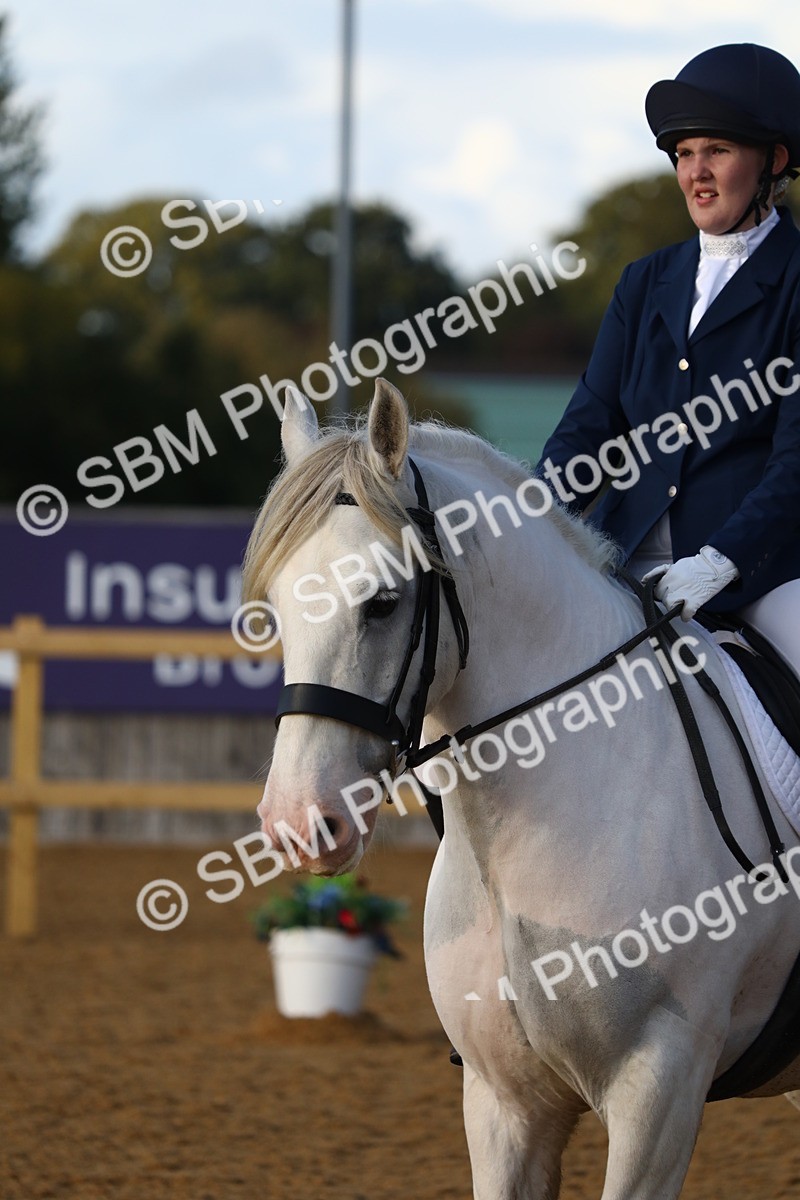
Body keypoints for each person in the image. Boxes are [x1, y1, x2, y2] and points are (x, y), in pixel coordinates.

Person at [536, 43, 800, 676]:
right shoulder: (644, 282)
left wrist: (721, 561)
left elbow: (795, 463)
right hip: (625, 562)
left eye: (718, 151)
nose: (696, 174)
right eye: (685, 155)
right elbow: (589, 427)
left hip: (758, 578)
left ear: (775, 160)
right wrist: (531, 524)